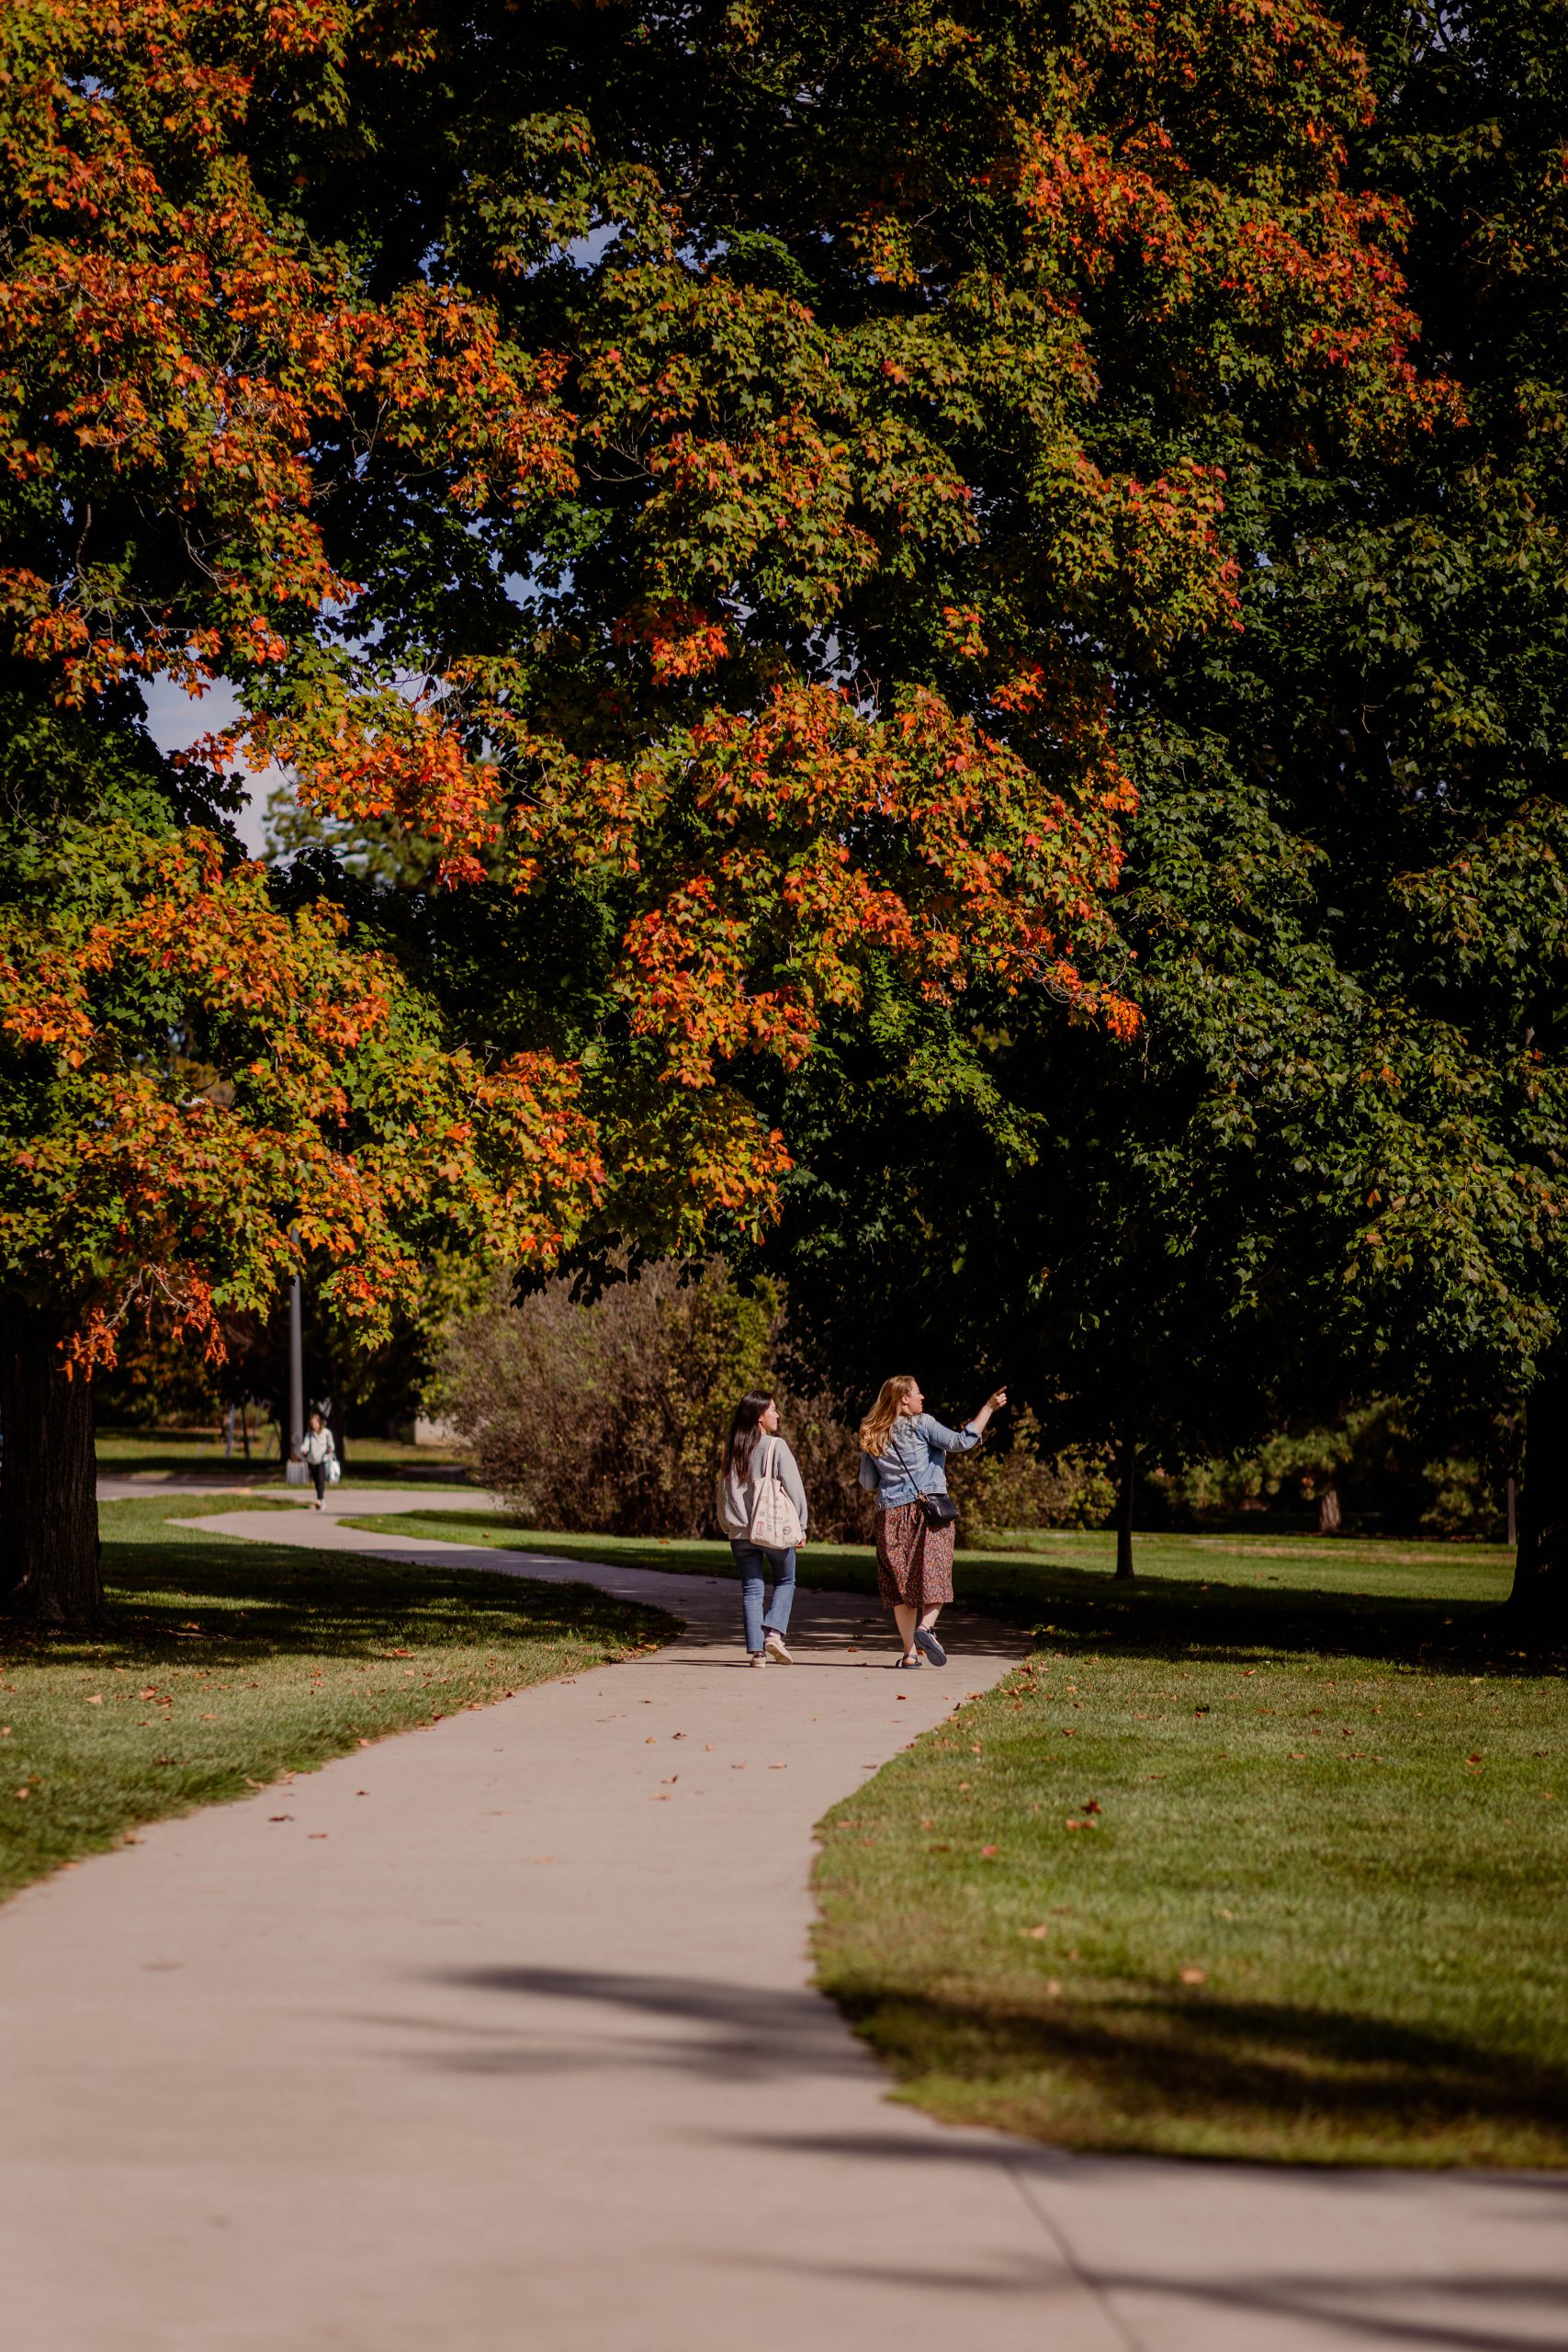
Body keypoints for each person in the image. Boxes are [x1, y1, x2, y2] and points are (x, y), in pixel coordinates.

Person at [857, 1377, 1007, 1668]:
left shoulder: (872, 1432)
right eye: (917, 1393)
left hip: (889, 1515)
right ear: (903, 1398)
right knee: (934, 1573)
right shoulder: (922, 1423)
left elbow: (866, 1482)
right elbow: (960, 1442)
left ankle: (910, 1654)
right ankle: (926, 1628)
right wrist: (988, 1408)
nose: (922, 1397)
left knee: (901, 1587)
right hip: (929, 1512)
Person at [716, 1392, 809, 1667]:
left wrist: (728, 1524)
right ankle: (774, 1634)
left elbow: (723, 1491)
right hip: (771, 1530)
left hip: (740, 1531)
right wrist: (801, 1525)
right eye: (773, 1409)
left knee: (751, 1590)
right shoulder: (775, 1446)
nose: (777, 1415)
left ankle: (757, 1653)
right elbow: (794, 1488)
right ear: (759, 1416)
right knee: (786, 1580)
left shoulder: (732, 1449)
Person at [299, 1411, 337, 1510]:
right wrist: (303, 1450)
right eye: (312, 1424)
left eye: (315, 1423)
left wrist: (330, 1449)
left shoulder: (327, 1433)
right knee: (316, 1481)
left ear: (319, 1423)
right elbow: (305, 1445)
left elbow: (331, 1444)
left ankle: (320, 1500)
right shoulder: (309, 1435)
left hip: (322, 1460)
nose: (314, 1426)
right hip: (312, 1460)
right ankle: (320, 1498)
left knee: (321, 1480)